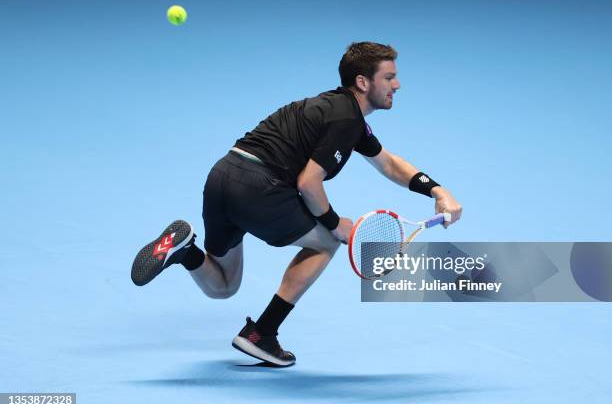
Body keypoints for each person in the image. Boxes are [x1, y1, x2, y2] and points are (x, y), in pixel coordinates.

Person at [131, 41, 462, 367]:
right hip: (259, 186)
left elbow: (388, 163)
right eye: (389, 77)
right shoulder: (345, 119)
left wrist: (437, 191)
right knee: (326, 243)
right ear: (363, 82)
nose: (397, 84)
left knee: (222, 286)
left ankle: (185, 250)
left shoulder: (338, 111)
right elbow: (308, 182)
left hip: (221, 177)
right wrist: (335, 224)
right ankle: (262, 333)